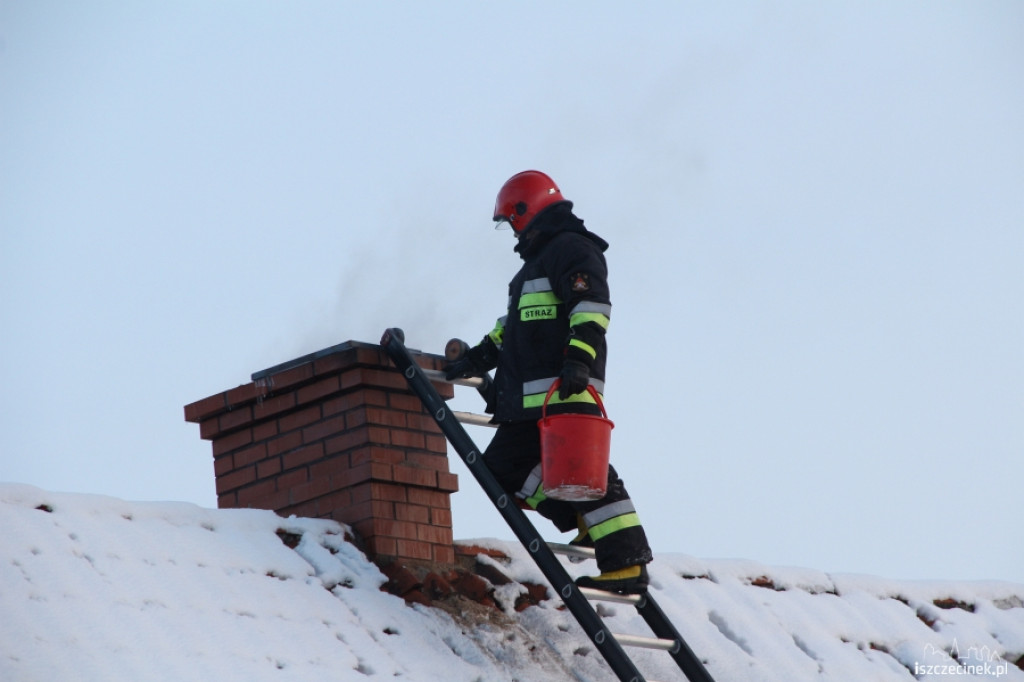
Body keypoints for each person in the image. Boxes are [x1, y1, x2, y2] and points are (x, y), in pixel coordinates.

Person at [445, 170, 653, 594]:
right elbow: (514, 329)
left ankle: (627, 562)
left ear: (526, 209)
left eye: (511, 220)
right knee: (500, 471)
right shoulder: (533, 269)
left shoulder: (571, 250)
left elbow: (590, 308)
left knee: (582, 469)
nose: (512, 230)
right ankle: (581, 520)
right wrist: (479, 357)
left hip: (565, 391)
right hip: (527, 403)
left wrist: (579, 362)